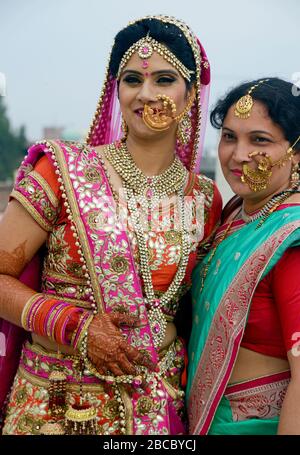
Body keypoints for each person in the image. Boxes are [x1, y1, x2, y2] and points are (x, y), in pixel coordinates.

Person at [0, 15, 222, 435]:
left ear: (190, 94)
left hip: (160, 409)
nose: (145, 94)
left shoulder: (206, 198)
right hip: (56, 405)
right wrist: (75, 325)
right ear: (115, 90)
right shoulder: (63, 170)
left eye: (163, 79)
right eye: (132, 79)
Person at [187, 77, 300, 435]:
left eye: (260, 140)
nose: (238, 155)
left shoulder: (291, 236)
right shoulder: (236, 213)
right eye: (230, 137)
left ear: (296, 152)